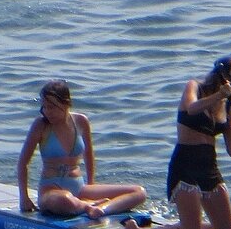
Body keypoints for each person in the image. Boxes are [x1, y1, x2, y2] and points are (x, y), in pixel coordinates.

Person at [117, 56, 231, 229]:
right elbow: (191, 108)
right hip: (185, 167)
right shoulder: (194, 87)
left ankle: (183, 225)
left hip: (209, 168)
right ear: (221, 77)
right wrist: (219, 95)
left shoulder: (228, 106)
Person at [17, 79, 147, 218]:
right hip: (51, 191)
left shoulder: (81, 121)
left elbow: (89, 155)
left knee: (139, 192)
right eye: (44, 107)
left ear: (66, 103)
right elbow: (23, 163)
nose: (47, 112)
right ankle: (88, 206)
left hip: (79, 188)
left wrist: (91, 184)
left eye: (52, 107)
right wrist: (24, 198)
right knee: (65, 199)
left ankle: (102, 209)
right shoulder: (40, 125)